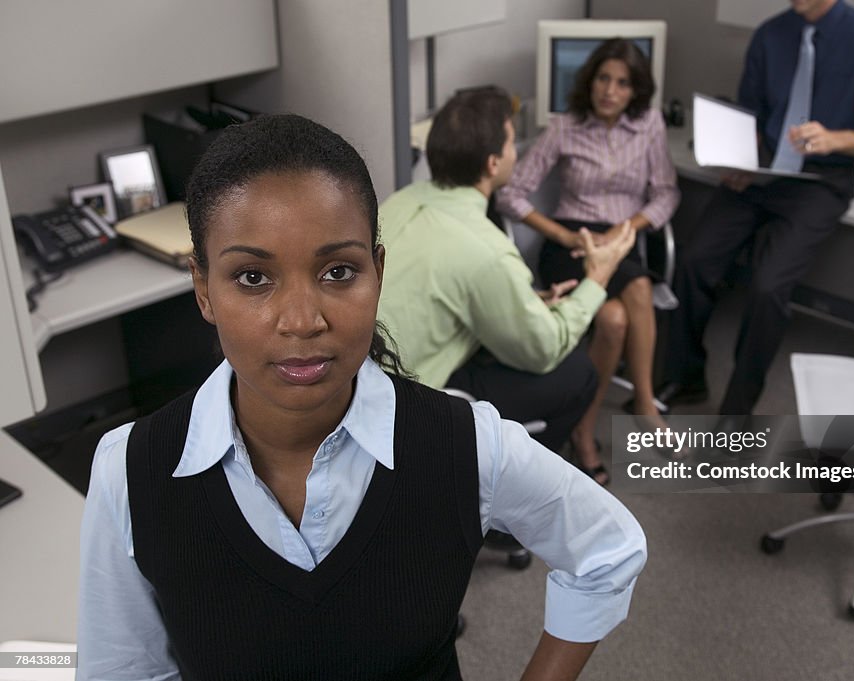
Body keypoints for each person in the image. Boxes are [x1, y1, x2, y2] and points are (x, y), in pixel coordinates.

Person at [76, 114, 647, 680]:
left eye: (338, 271)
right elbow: (124, 670)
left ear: (377, 272)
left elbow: (607, 550)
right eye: (253, 277)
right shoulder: (129, 472)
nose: (302, 321)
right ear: (204, 290)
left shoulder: (465, 443)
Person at [658, 0, 854, 416]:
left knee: (769, 286)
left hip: (820, 181)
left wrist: (835, 139)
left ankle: (737, 410)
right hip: (761, 173)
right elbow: (752, 114)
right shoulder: (771, 35)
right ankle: (685, 377)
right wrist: (739, 156)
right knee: (694, 260)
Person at [378, 87, 636, 484]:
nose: (517, 151)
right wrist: (598, 275)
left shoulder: (398, 202)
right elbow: (543, 349)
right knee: (577, 371)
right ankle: (503, 505)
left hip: (365, 384)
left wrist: (525, 299)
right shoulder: (487, 250)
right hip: (412, 402)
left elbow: (441, 287)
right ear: (494, 162)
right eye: (513, 142)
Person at [496, 38, 681, 477]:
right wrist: (563, 234)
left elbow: (667, 192)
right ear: (590, 79)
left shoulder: (650, 125)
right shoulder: (565, 127)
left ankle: (625, 407)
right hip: (572, 244)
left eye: (622, 83)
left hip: (620, 240)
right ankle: (621, 415)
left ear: (636, 91)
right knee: (617, 315)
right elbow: (510, 193)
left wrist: (629, 228)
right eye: (603, 78)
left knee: (625, 303)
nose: (610, 91)